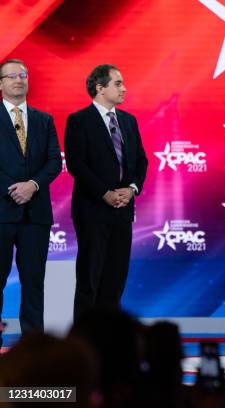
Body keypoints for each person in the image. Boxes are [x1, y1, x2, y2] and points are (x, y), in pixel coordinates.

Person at [64, 64, 148, 320]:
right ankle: (83, 343)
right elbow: (77, 164)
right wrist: (105, 193)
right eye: (118, 83)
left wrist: (131, 189)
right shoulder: (79, 120)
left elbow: (141, 161)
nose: (124, 89)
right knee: (90, 276)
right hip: (93, 210)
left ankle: (109, 341)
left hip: (123, 211)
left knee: (115, 277)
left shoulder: (128, 121)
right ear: (100, 88)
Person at [0, 59, 61, 346]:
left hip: (36, 216)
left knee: (34, 283)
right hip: (1, 212)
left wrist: (32, 186)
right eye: (11, 76)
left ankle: (34, 347)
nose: (18, 80)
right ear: (1, 84)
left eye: (23, 75)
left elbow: (53, 162)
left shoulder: (43, 120)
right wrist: (14, 190)